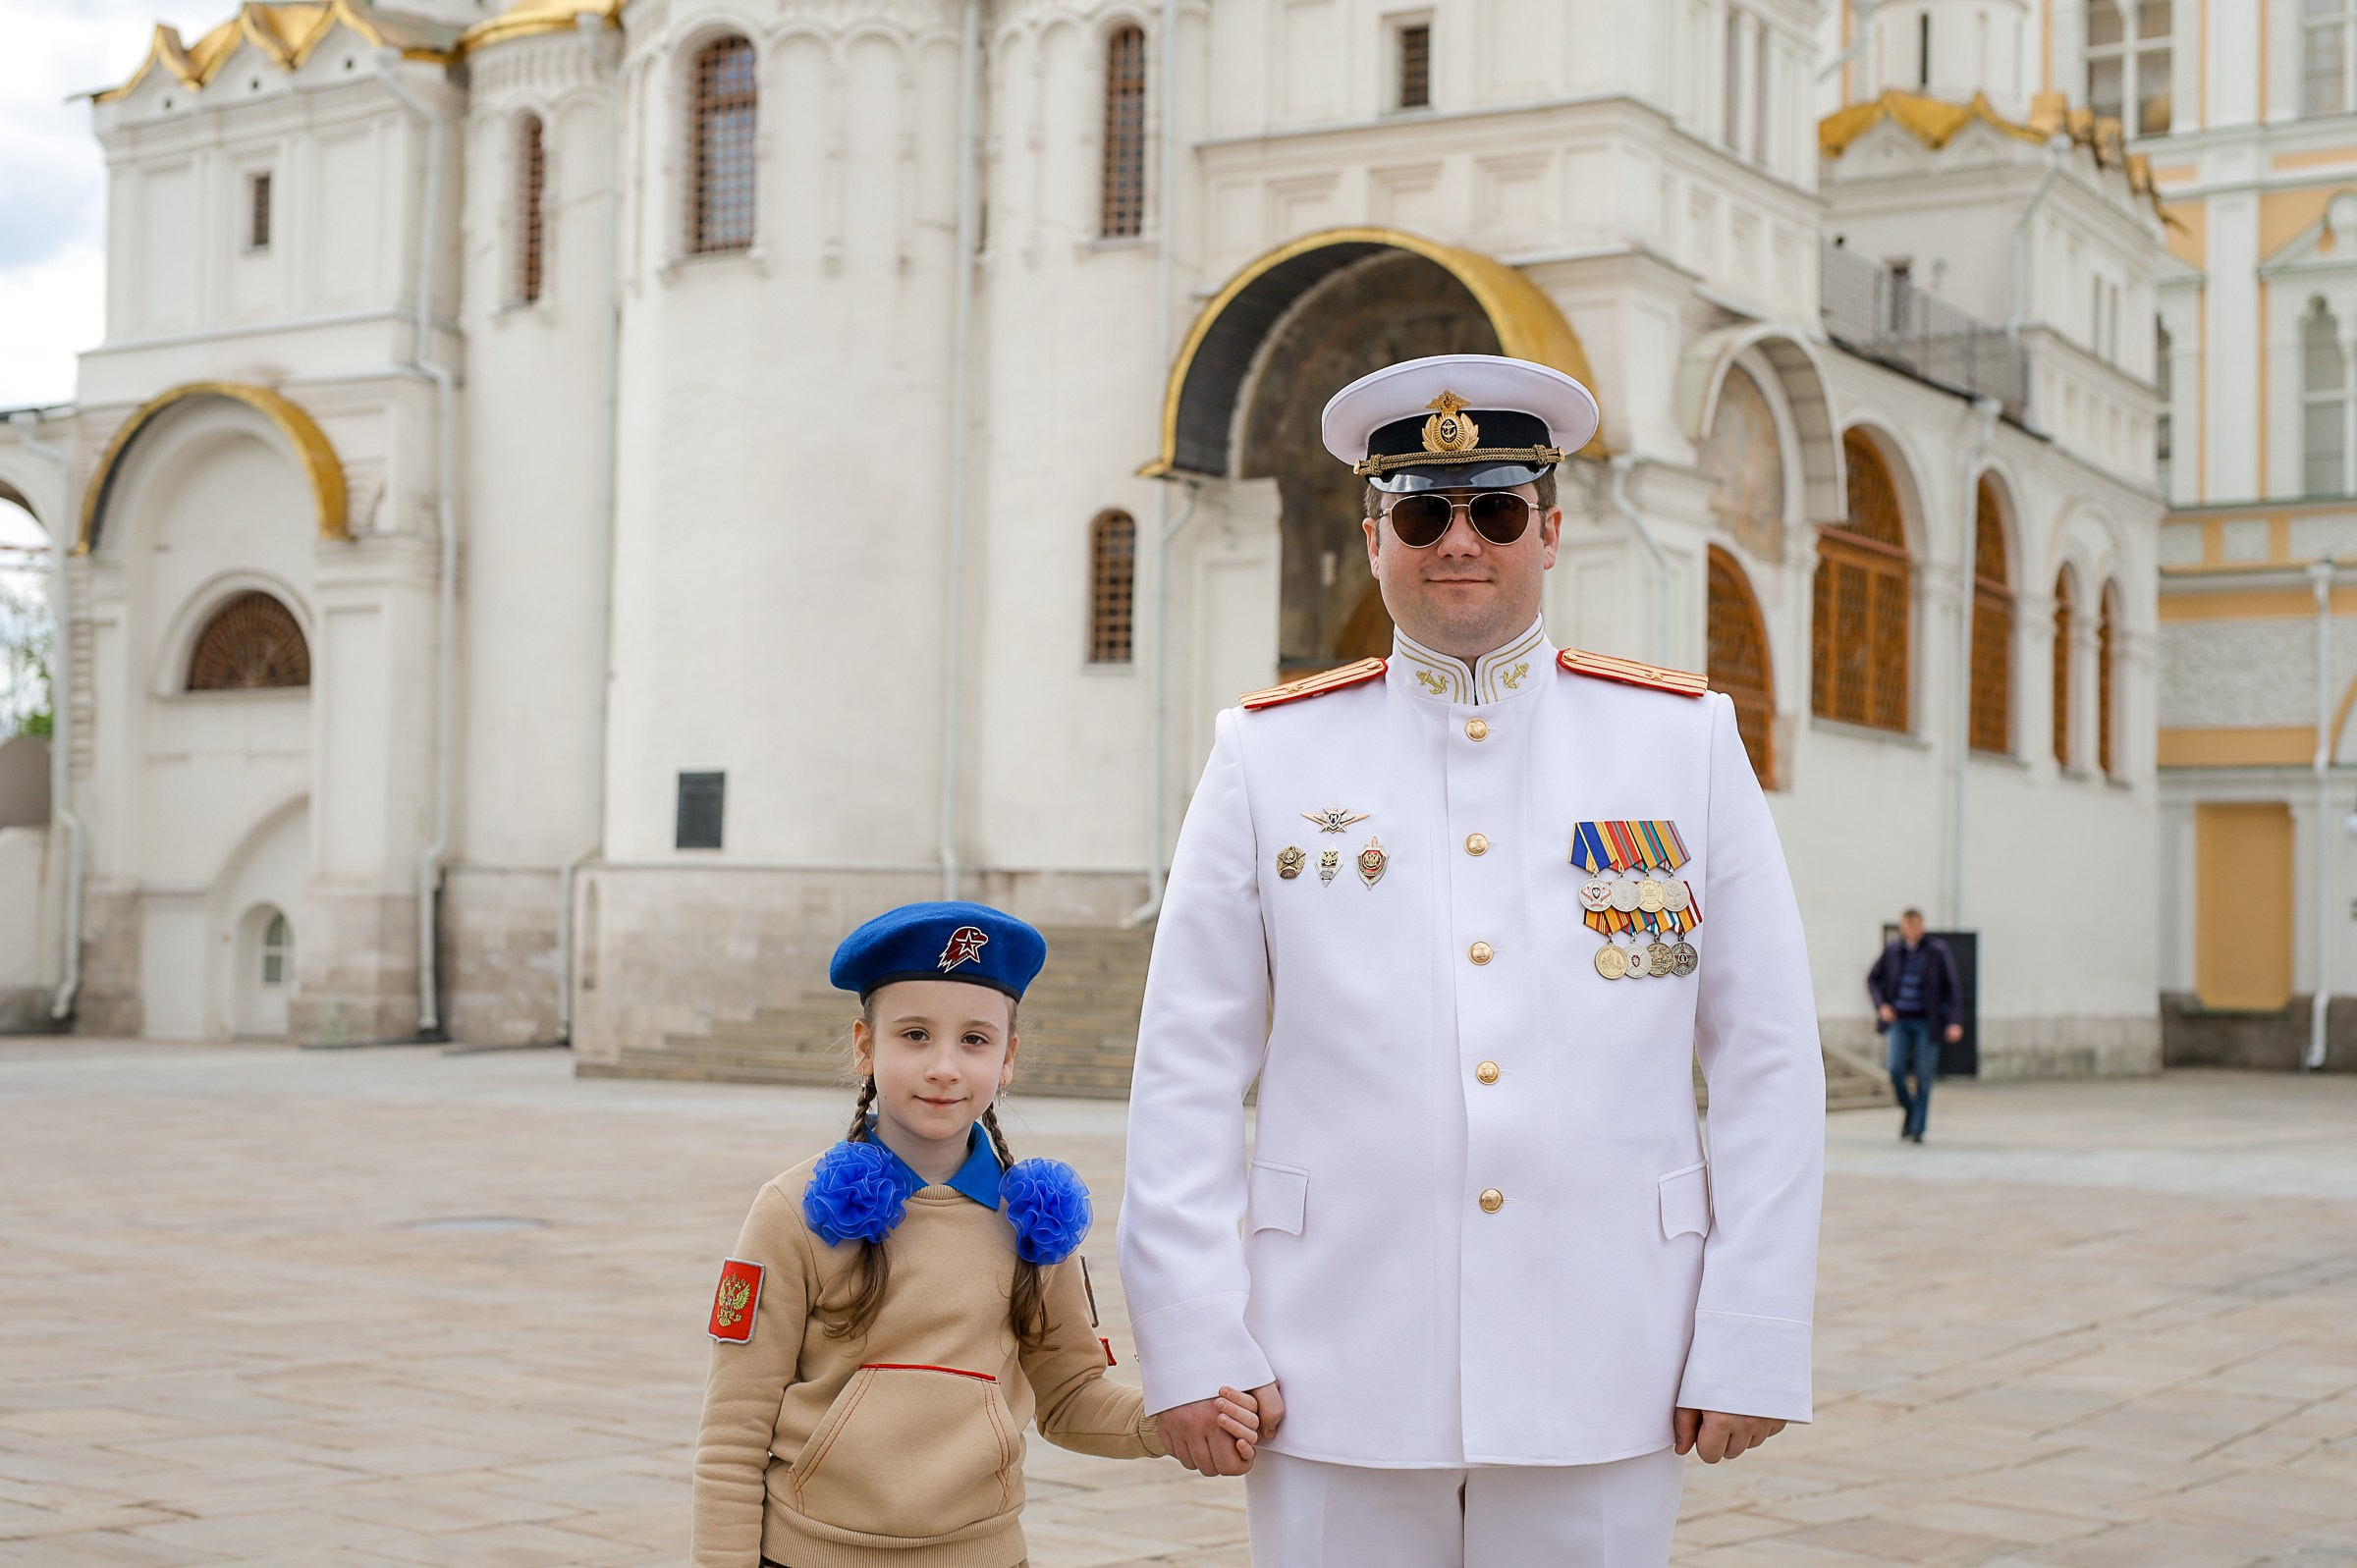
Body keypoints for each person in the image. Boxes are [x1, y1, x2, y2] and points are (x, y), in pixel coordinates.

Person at [1119, 353, 1827, 1568]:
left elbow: (1766, 1061)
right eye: (1422, 511)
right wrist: (1191, 1333)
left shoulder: (1681, 743)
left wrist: (1751, 1329)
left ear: (1551, 532)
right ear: (1375, 533)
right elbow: (1186, 1067)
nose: (1461, 542)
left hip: (1608, 1348)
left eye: (1495, 510)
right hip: (1333, 1352)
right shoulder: (1268, 754)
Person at [691, 901, 1258, 1568]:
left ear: (1008, 1058)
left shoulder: (1036, 1222)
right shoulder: (791, 1210)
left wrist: (1170, 1417)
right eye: (914, 1034)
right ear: (864, 1044)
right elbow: (732, 1436)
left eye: (974, 1039)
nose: (943, 1066)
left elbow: (1070, 1396)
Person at [1866, 907, 1962, 1144]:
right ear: (1902, 927)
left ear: (1922, 926)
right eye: (1907, 925)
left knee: (1923, 1075)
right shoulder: (1892, 951)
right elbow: (1872, 979)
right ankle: (1910, 1109)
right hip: (1899, 1020)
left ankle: (1918, 1127)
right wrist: (1882, 1006)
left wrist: (1955, 1021)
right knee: (1895, 1069)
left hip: (1926, 1023)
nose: (1912, 930)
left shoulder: (1937, 951)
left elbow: (1953, 987)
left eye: (1916, 925)